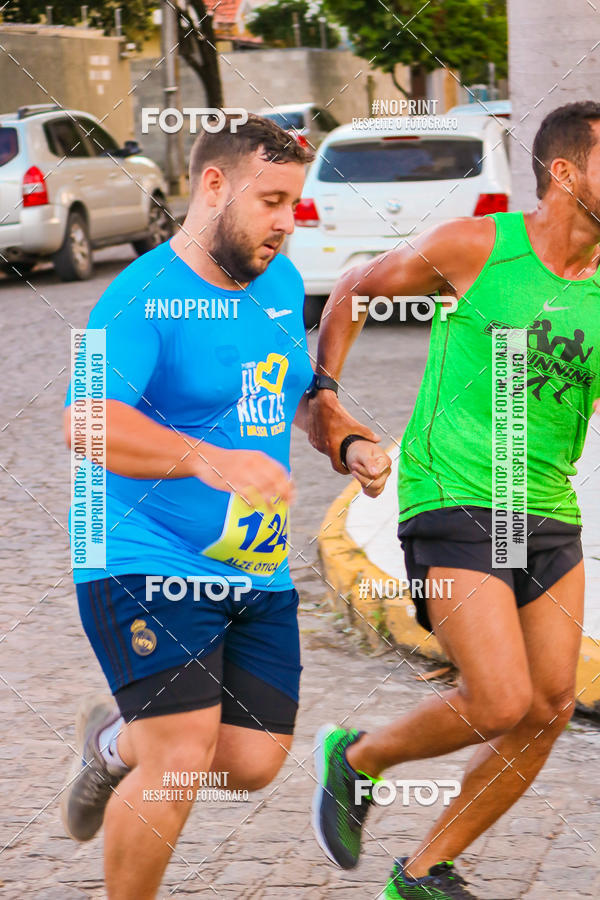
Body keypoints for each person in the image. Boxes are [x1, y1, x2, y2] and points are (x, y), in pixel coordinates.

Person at [61, 113, 391, 899]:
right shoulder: (140, 296)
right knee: (178, 755)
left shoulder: (278, 283)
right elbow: (85, 420)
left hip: (253, 564)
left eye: (294, 203)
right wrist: (209, 460)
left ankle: (112, 743)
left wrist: (343, 439)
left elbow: (297, 393)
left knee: (252, 761)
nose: (287, 221)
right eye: (271, 200)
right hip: (141, 556)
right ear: (214, 185)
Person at [308, 101, 600, 899]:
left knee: (548, 706)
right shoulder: (481, 246)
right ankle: (357, 757)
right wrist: (328, 397)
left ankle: (425, 871)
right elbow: (356, 288)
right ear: (567, 173)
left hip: (545, 508)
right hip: (454, 494)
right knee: (499, 697)